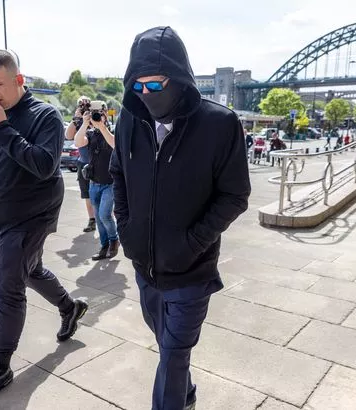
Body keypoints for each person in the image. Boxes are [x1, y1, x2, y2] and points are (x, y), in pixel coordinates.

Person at [110, 26, 251, 410]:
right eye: (137, 87)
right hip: (145, 268)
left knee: (173, 355)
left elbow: (235, 195)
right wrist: (126, 229)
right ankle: (186, 394)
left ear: (177, 77)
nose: (146, 94)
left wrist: (192, 243)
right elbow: (118, 173)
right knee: (168, 348)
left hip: (191, 272)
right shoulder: (129, 119)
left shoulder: (220, 124)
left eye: (155, 85)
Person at [0, 49, 88, 403]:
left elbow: (45, 165)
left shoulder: (45, 115)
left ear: (19, 79)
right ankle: (70, 308)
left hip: (32, 215)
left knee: (7, 287)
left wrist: (1, 126)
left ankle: (0, 365)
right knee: (30, 270)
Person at [74, 100, 120, 260]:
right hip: (94, 182)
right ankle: (104, 245)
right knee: (99, 218)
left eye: (99, 113)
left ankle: (114, 240)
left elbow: (115, 145)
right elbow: (78, 142)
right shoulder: (90, 133)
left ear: (105, 114)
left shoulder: (113, 131)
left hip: (110, 183)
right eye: (94, 113)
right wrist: (84, 123)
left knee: (104, 215)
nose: (97, 116)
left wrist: (101, 126)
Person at [66, 96, 96, 232]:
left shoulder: (94, 117)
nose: (84, 108)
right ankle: (92, 220)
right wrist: (75, 119)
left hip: (98, 163)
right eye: (81, 106)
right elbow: (68, 135)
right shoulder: (78, 121)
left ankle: (104, 218)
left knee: (103, 192)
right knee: (87, 194)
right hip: (83, 162)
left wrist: (91, 118)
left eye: (86, 105)